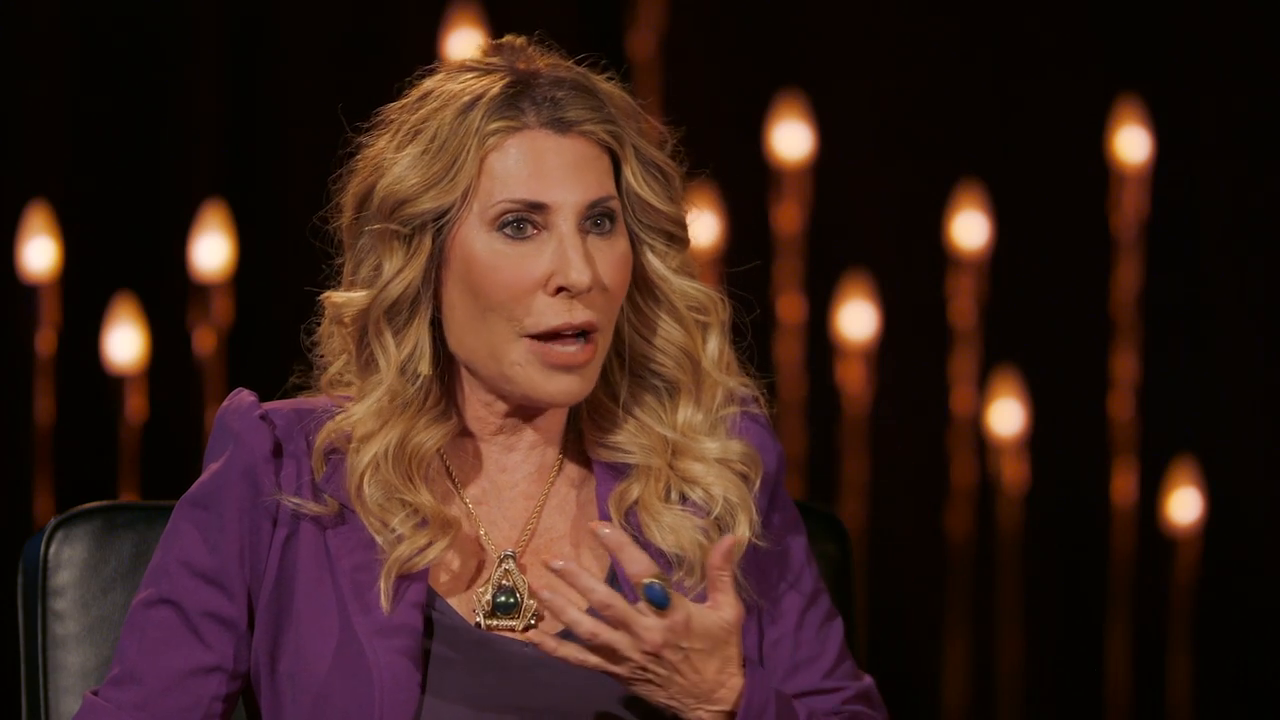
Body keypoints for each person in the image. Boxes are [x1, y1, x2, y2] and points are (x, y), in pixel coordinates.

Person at [74, 35, 887, 719]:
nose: (578, 272)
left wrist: (727, 699)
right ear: (423, 259)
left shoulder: (713, 475)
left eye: (600, 223)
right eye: (520, 226)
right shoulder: (285, 474)